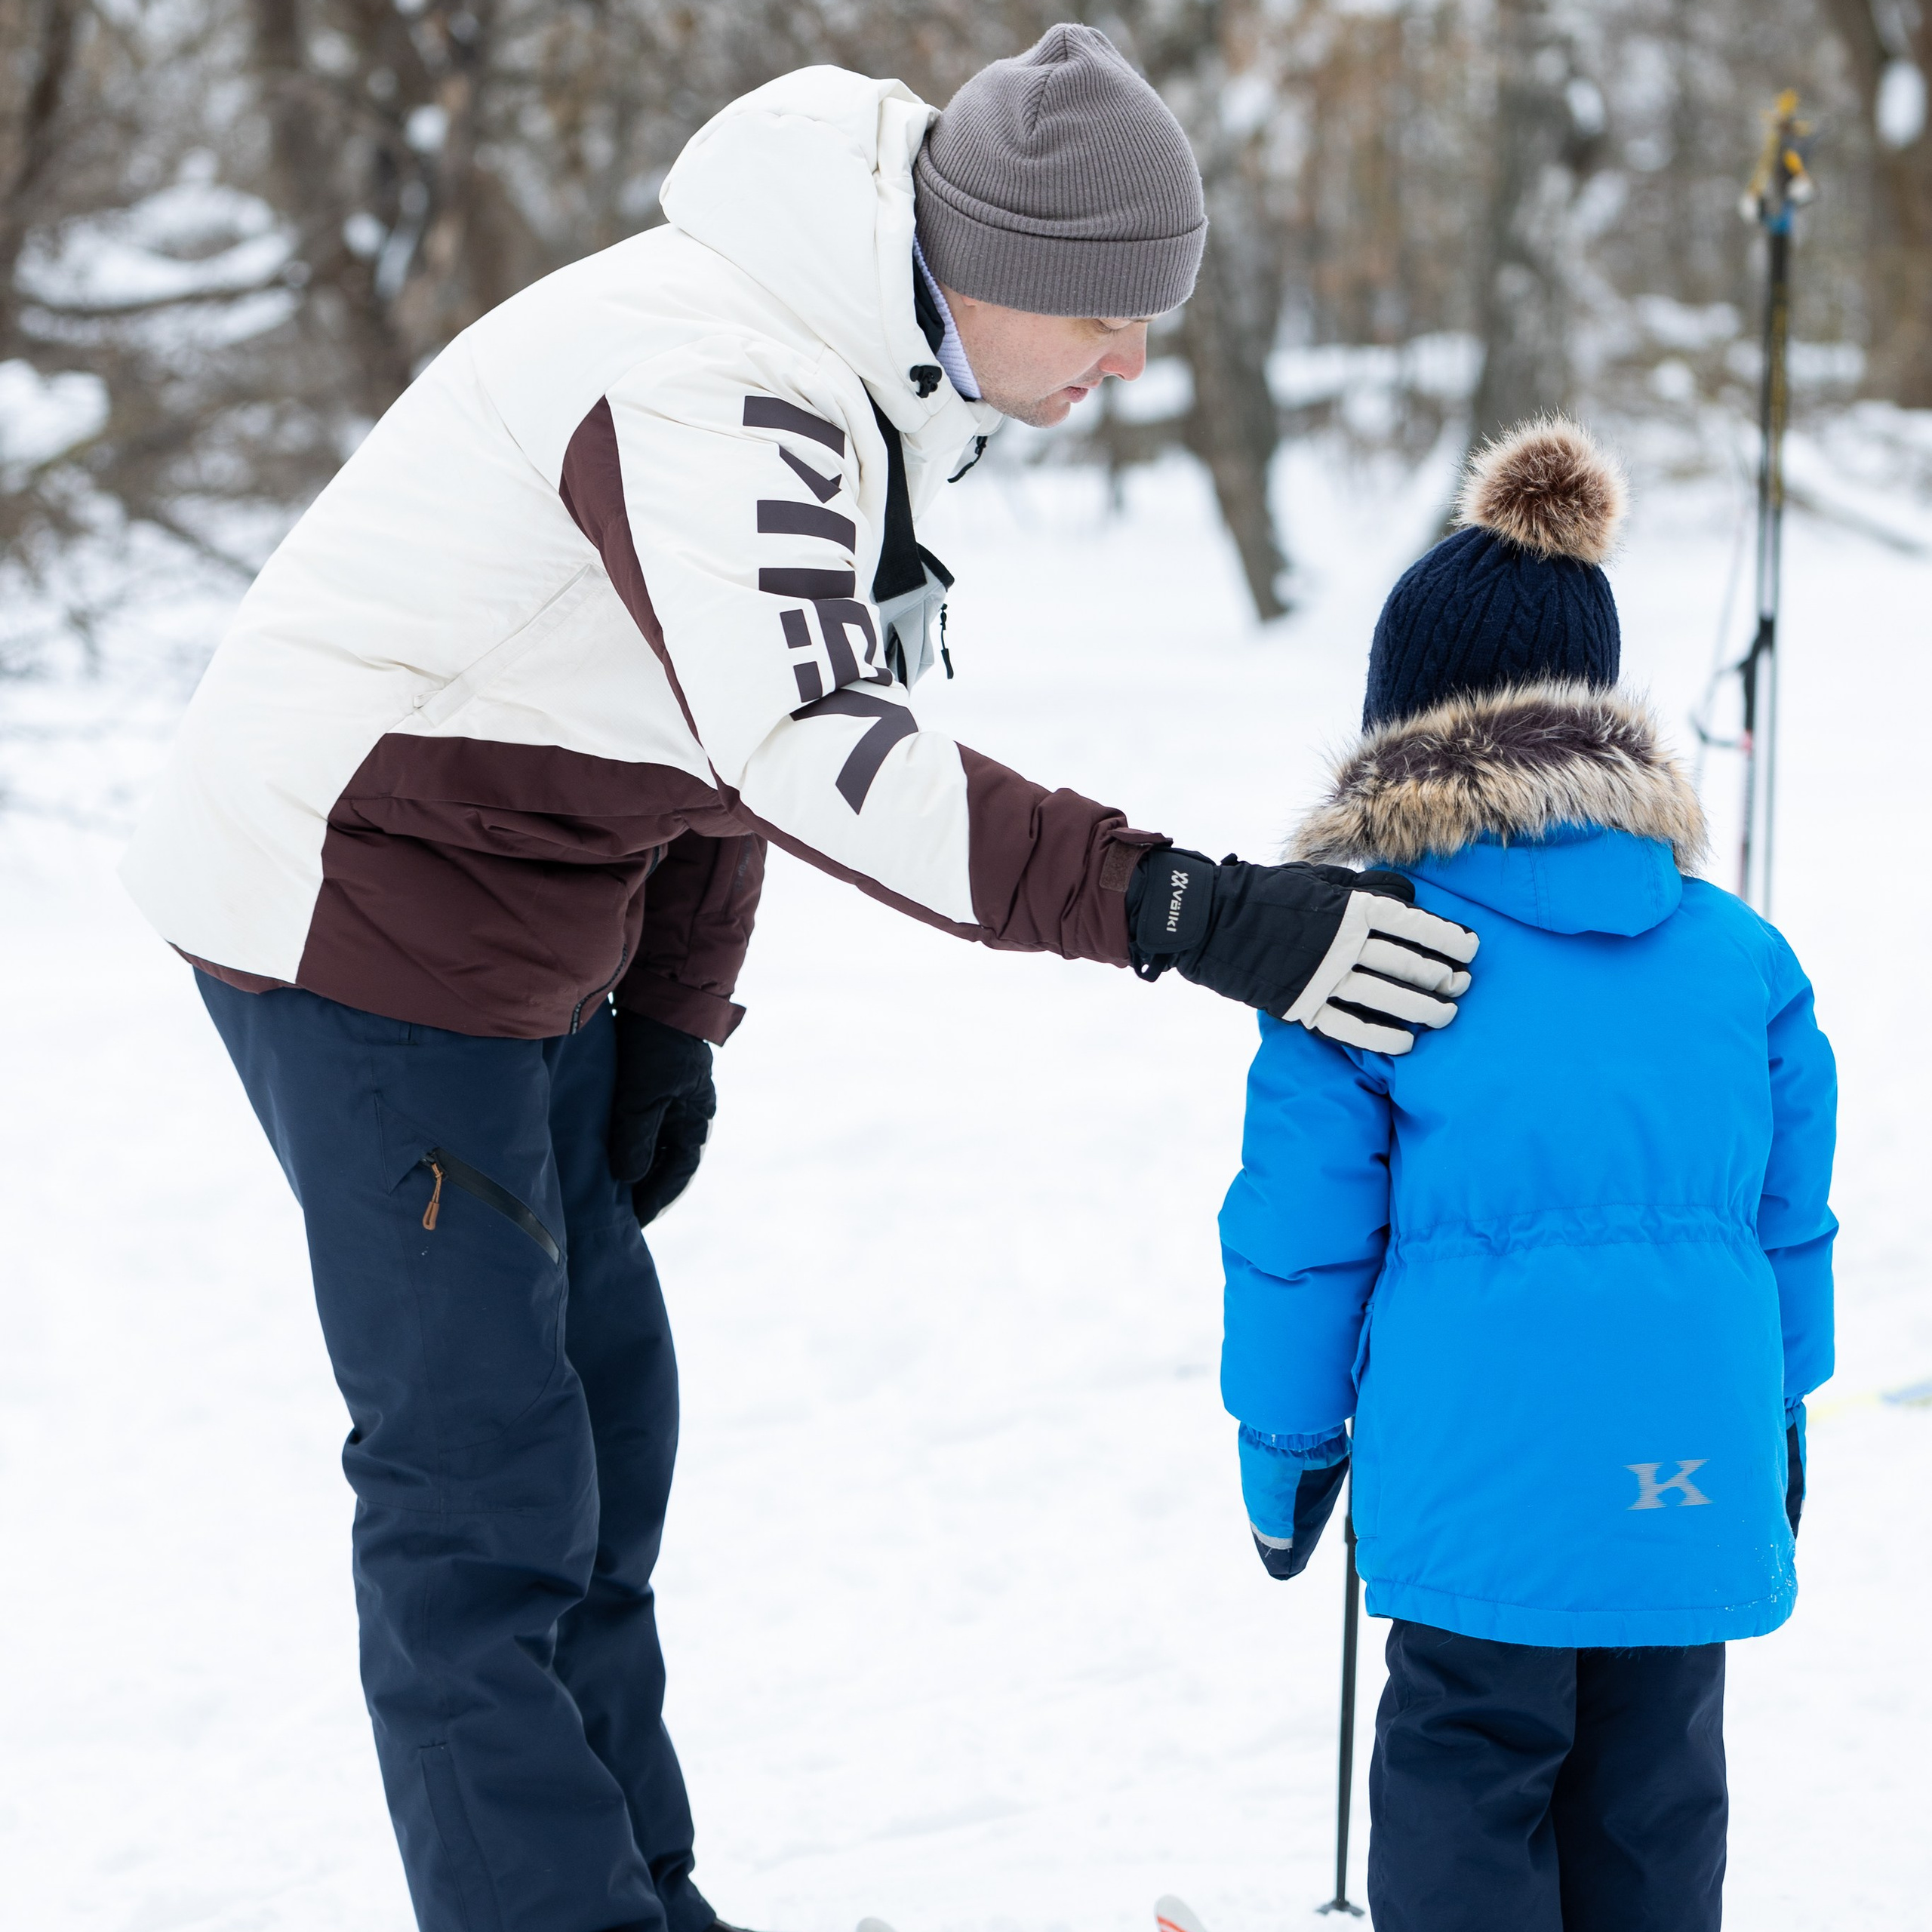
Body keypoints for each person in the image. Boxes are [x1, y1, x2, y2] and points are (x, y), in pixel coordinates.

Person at [118, 26, 1484, 1932]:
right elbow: (815, 745)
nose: (1128, 365)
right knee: (482, 1485)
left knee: (605, 1418)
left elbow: (708, 732)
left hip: (526, 918)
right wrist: (1193, 910)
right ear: (1002, 266)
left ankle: (635, 1893)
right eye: (1109, 319)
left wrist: (674, 1010)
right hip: (350, 910)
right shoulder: (724, 376)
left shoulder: (867, 363)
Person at [1218, 418, 1837, 1932]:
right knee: (1653, 1785)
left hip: (1473, 1479)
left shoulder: (1357, 958)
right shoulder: (1740, 957)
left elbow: (1298, 1242)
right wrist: (1778, 1413)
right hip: (1684, 1465)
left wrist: (1285, 1450)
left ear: (1400, 729)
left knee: (1465, 1774)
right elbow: (1789, 1226)